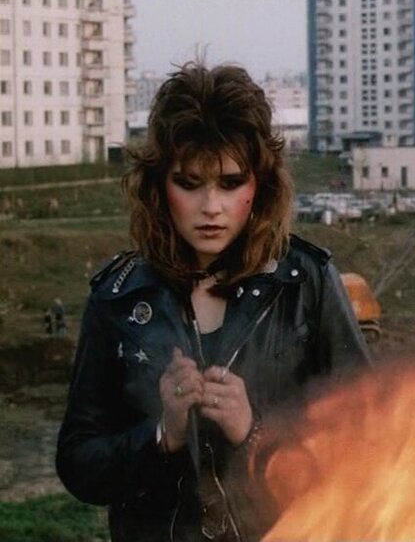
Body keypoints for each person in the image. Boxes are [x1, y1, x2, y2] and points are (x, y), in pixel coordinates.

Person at [56, 61, 371, 542]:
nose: (210, 208)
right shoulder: (119, 297)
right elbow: (79, 464)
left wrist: (254, 433)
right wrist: (163, 436)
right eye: (188, 183)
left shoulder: (305, 283)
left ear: (259, 185)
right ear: (159, 185)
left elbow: (371, 443)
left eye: (229, 182)